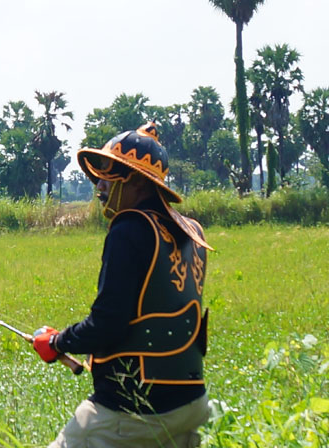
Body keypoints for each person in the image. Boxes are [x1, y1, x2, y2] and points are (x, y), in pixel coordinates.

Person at [32, 122, 212, 448]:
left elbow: (108, 324)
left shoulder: (129, 228)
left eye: (109, 174)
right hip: (193, 403)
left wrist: (57, 342)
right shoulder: (193, 231)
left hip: (133, 410)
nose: (99, 185)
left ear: (136, 181)